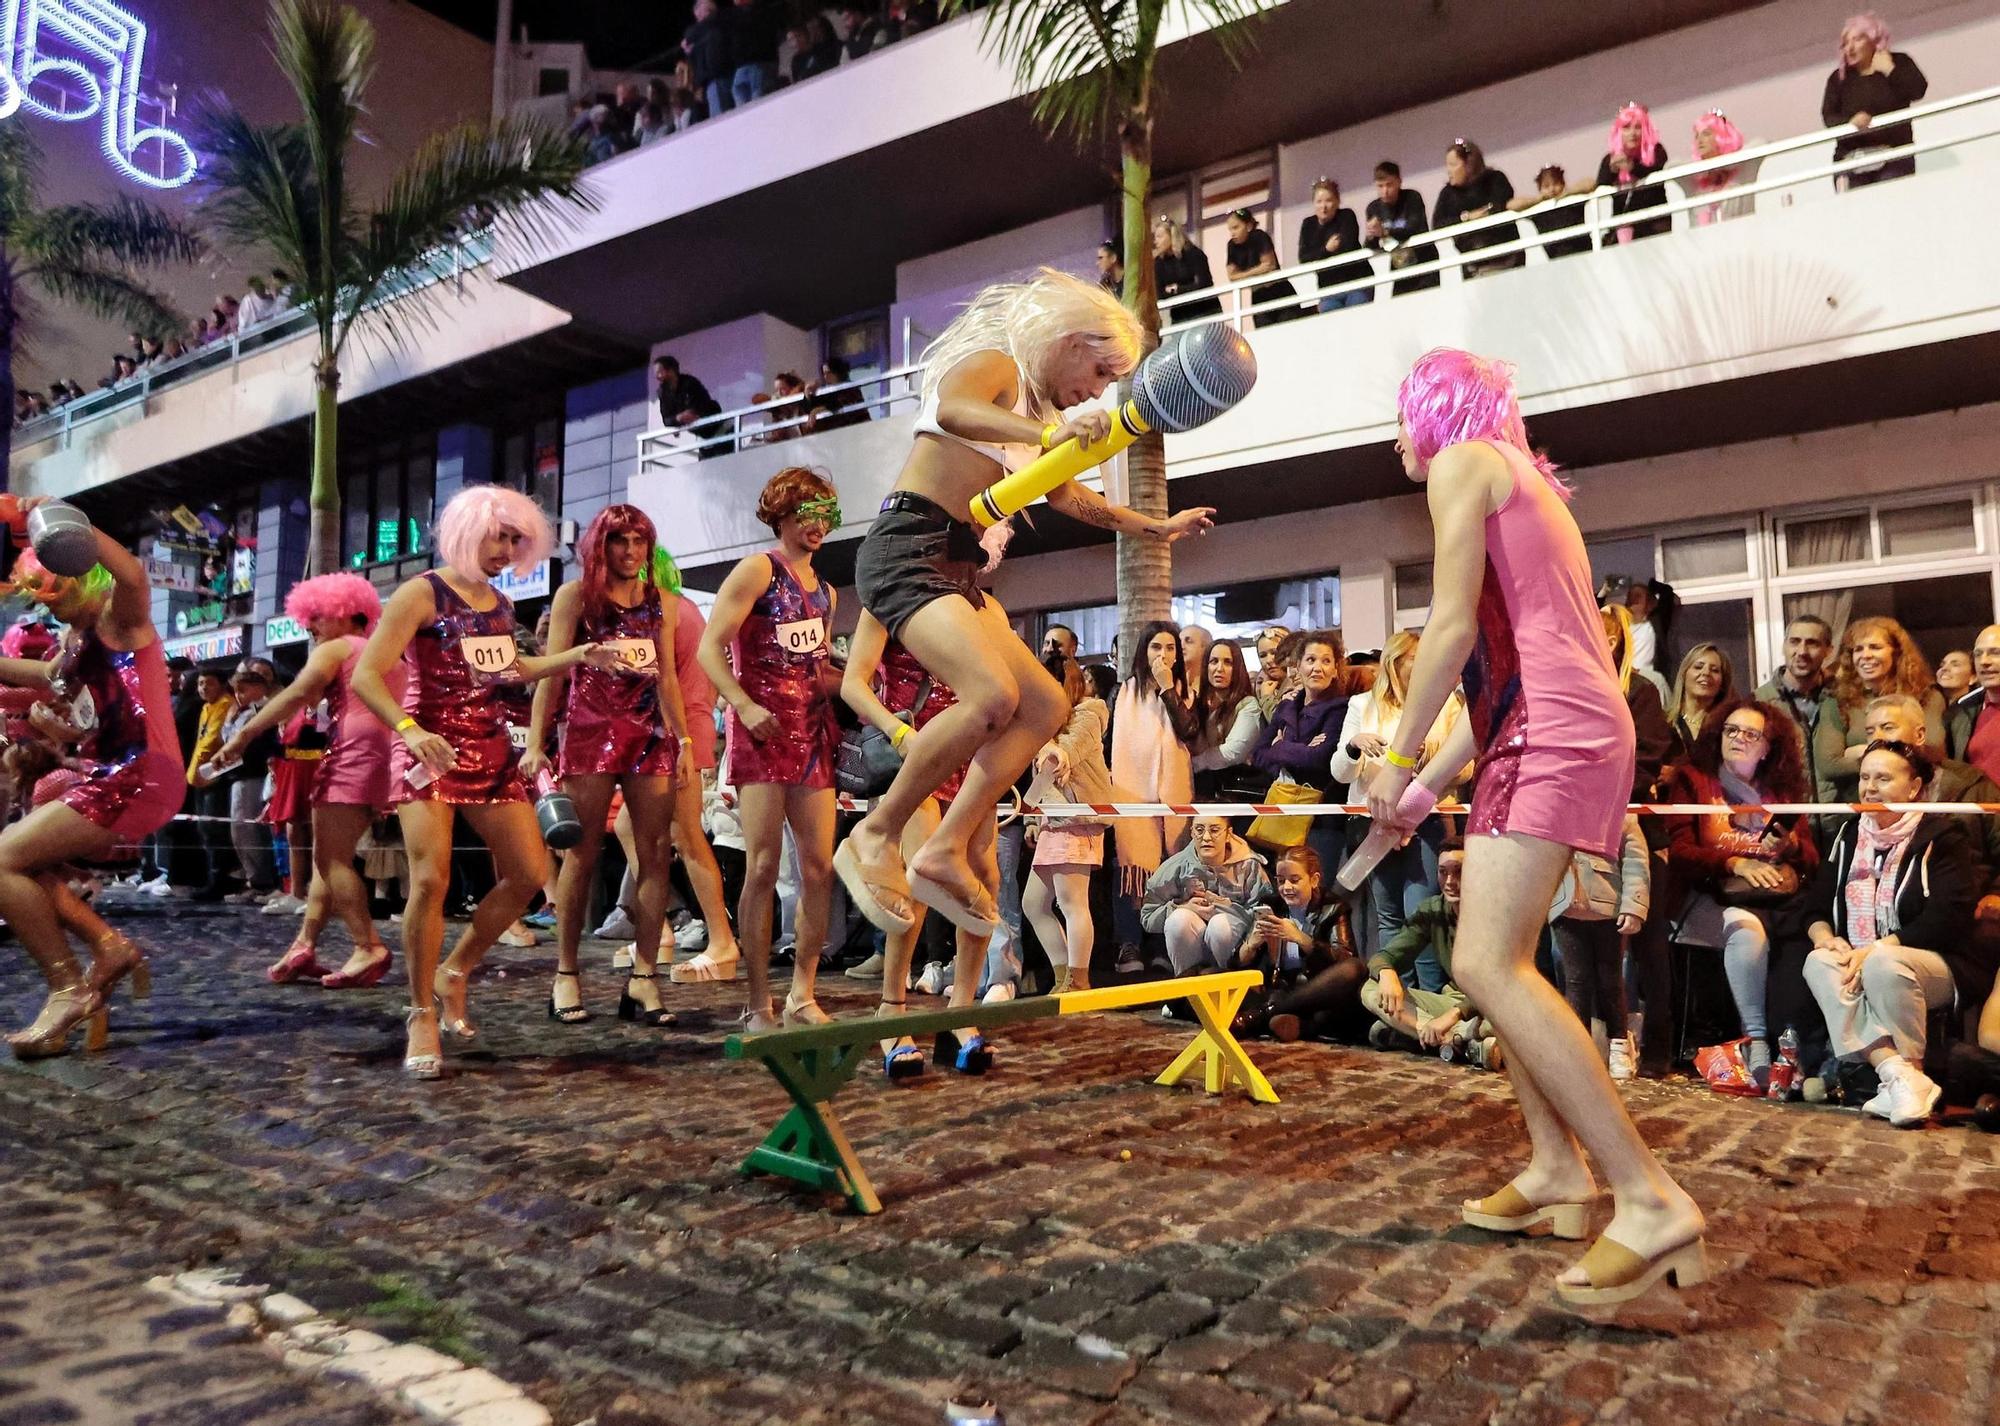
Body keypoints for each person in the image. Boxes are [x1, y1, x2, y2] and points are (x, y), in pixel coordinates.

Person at [1363, 348, 1701, 1307]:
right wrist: (1425, 786)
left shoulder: (1465, 465)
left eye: (1403, 416)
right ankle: (1557, 1171)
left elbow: (1453, 635)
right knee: (1503, 958)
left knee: (1483, 966)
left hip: (1546, 733)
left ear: (1437, 412)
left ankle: (1647, 1196)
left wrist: (1391, 760)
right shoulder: (1530, 489)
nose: (1398, 439)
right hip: (1557, 724)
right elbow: (1504, 667)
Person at [835, 269, 1211, 947]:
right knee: (989, 696)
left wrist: (1156, 527)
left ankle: (943, 847)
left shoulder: (1038, 420)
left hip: (958, 566)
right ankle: (875, 832)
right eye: (1097, 371)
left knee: (1044, 706)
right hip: (907, 544)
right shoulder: (997, 366)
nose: (1095, 390)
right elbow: (953, 412)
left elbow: (1072, 499)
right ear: (1069, 342)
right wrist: (1048, 435)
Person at [352, 486, 617, 1079]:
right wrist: (409, 730)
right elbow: (367, 677)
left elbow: (512, 669)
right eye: (500, 537)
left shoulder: (499, 604)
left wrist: (577, 656)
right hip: (430, 750)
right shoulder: (421, 593)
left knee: (527, 874)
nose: (507, 550)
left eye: (516, 540)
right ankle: (420, 1010)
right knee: (431, 880)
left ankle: (456, 969)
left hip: (491, 747)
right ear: (469, 531)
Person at [0, 523, 186, 1060]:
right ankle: (108, 947)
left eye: (52, 595)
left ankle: (69, 988)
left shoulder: (118, 621)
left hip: (138, 775)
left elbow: (131, 572)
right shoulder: (80, 641)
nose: (48, 610)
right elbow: (45, 676)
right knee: (29, 868)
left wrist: (63, 522)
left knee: (3, 861)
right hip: (111, 774)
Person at [526, 506, 693, 1027]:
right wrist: (535, 742)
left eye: (639, 540)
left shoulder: (660, 602)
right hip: (589, 734)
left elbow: (666, 676)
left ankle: (644, 978)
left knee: (656, 855)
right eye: (620, 540)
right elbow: (551, 676)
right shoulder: (575, 597)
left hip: (650, 736)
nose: (631, 551)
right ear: (601, 544)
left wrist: (685, 737)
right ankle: (565, 973)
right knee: (581, 854)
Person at [699, 468, 844, 1031]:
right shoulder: (757, 570)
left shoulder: (827, 593)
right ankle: (757, 1000)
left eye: (825, 513)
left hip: (813, 736)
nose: (817, 525)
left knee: (819, 866)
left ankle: (802, 993)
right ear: (782, 513)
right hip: (759, 735)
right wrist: (742, 703)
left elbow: (814, 670)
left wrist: (861, 679)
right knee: (760, 866)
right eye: (807, 511)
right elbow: (712, 650)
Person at [216, 574, 393, 989]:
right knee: (329, 856)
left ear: (347, 614)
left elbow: (297, 693)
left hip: (353, 754)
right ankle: (304, 943)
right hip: (385, 756)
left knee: (331, 859)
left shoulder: (335, 648)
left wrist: (244, 735)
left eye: (315, 617)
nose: (307, 626)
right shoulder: (383, 650)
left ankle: (367, 945)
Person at [842, 609, 999, 1073]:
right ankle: (892, 1010)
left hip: (973, 757)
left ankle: (962, 1012)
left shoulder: (981, 607)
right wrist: (897, 731)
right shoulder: (889, 596)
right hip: (914, 755)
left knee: (982, 877)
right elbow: (854, 683)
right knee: (917, 880)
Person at [1800, 741, 1980, 1125]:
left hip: (1938, 962)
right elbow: (1814, 906)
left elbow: (1948, 918)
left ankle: (1908, 1075)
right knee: (1818, 962)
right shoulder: (1849, 834)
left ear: (1914, 787)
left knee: (1882, 962)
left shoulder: (1944, 835)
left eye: (1883, 778)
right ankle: (1899, 1076)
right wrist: (1824, 937)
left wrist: (1879, 947)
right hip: (1866, 958)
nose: (1870, 787)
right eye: (1865, 777)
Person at [1661, 697, 1817, 1079]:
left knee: (1801, 938)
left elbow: (1812, 857)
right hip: (1708, 895)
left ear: (1767, 748)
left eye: (1751, 734)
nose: (1739, 739)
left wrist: (1790, 848)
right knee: (1748, 934)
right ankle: (1757, 1041)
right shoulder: (1694, 779)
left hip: (1773, 900)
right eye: (1732, 730)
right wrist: (1734, 862)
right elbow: (1680, 851)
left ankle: (1802, 1053)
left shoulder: (1779, 791)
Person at [1330, 630, 1468, 947]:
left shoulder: (1446, 702)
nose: (1427, 668)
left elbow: (1467, 769)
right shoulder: (1361, 704)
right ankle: (1396, 992)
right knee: (1389, 917)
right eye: (1417, 661)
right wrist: (1354, 745)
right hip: (1374, 821)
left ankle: (1427, 994)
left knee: (1421, 914)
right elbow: (1339, 773)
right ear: (1394, 663)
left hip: (1428, 820)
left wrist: (1431, 762)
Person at [1110, 621, 1199, 974]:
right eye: (1155, 648)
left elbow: (1189, 731)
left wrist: (1167, 690)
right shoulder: (1123, 693)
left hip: (1174, 799)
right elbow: (1107, 745)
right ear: (1143, 652)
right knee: (1130, 869)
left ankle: (1163, 942)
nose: (1163, 655)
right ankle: (1129, 944)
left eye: (1170, 649)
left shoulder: (1185, 691)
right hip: (1131, 796)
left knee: (1170, 871)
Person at [1360, 840, 1499, 1066]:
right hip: (1453, 1001)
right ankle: (1451, 1039)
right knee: (1371, 988)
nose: (1450, 882)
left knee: (1509, 1021)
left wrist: (1453, 1014)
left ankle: (1421, 1036)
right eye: (1443, 872)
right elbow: (1384, 956)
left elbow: (1497, 984)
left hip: (1489, 1003)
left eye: (1459, 872)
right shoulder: (1433, 910)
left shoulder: (1495, 912)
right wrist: (1387, 972)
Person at [1023, 655, 1112, 994]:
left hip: (1075, 819)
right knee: (1033, 904)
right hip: (1053, 820)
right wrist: (1033, 817)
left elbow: (1064, 756)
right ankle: (1065, 977)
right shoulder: (1046, 722)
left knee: (1073, 903)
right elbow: (1042, 775)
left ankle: (1078, 981)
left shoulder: (1089, 714)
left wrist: (1048, 745)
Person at [1551, 815, 1651, 1081]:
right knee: (1575, 981)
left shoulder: (1622, 816)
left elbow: (1636, 864)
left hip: (1608, 908)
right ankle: (1579, 1050)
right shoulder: (1560, 808)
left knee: (1610, 981)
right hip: (1565, 907)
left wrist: (1635, 906)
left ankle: (1619, 1043)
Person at [1247, 630, 1350, 880]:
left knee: (1317, 890)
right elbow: (1258, 755)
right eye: (1311, 660)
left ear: (1336, 669)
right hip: (1282, 811)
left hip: (1322, 818)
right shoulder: (1286, 706)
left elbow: (1321, 760)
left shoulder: (1340, 708)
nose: (1318, 668)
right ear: (1299, 666)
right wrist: (1298, 754)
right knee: (1283, 887)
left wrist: (1280, 748)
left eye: (1326, 661)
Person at [1236, 846, 1363, 1042]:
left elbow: (1344, 959)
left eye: (1294, 880)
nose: (1286, 887)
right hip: (1276, 991)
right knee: (1206, 974)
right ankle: (1287, 1022)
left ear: (1314, 880)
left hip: (1313, 995)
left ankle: (1264, 1016)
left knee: (1354, 969)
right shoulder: (1270, 905)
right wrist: (1251, 945)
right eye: (1280, 881)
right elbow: (1236, 965)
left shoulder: (1334, 908)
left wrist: (1300, 938)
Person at [1815, 616, 1943, 804]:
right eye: (1858, 649)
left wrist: (1862, 750)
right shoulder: (1836, 701)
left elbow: (1932, 751)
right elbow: (1829, 765)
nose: (1865, 655)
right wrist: (1901, 750)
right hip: (1856, 810)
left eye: (1875, 647)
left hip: (1916, 806)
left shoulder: (1927, 695)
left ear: (1896, 652)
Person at [1139, 816, 1272, 977]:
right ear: (1192, 833)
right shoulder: (1175, 867)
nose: (1206, 837)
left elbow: (1264, 911)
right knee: (1179, 919)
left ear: (1228, 833)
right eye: (1199, 830)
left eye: (1215, 830)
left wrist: (1224, 908)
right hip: (1193, 945)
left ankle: (1231, 986)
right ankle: (1187, 989)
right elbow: (1147, 917)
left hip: (1236, 949)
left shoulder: (1249, 866)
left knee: (1219, 925)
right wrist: (1180, 907)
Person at [1820, 12, 1928, 190]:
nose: (1850, 48)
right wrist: (1850, 122)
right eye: (1845, 43)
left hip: (1894, 156)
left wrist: (1890, 70)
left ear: (1873, 40)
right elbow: (1828, 116)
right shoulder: (1838, 78)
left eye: (1857, 40)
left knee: (1889, 204)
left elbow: (1918, 90)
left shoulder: (1899, 62)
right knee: (1855, 211)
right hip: (1851, 159)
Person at [1754, 614, 1833, 793]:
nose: (1802, 651)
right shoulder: (1758, 703)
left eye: (1812, 643)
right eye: (1794, 641)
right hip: (1788, 815)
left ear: (1828, 650)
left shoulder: (1845, 698)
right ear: (1784, 646)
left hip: (1842, 815)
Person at [1584, 103, 1673, 243]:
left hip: (1655, 223)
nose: (1632, 133)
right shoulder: (1609, 159)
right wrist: (1612, 171)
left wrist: (1631, 167)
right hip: (1623, 229)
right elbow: (1600, 186)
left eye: (1638, 127)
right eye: (1626, 128)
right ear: (1618, 132)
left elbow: (1658, 169)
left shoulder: (1657, 150)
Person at [1432, 141, 1521, 278]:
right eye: (1447, 165)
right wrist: (1466, 218)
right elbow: (1438, 224)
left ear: (1469, 164)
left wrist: (1484, 214)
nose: (1448, 170)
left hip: (1505, 258)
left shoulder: (1495, 179)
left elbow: (1499, 206)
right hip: (1471, 265)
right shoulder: (1447, 193)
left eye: (1453, 165)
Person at [1191, 638, 1263, 799]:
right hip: (1197, 787)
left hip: (1231, 791)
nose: (1219, 668)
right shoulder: (1197, 702)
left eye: (1228, 662)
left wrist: (1193, 763)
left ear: (1237, 668)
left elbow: (1233, 752)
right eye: (1214, 661)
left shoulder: (1247, 704)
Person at [1363, 161, 1440, 294]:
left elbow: (1415, 228)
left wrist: (1385, 231)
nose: (1385, 191)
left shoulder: (1412, 198)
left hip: (1424, 263)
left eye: (1389, 185)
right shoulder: (1374, 208)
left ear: (1399, 182)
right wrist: (1372, 235)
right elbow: (1371, 245)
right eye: (1380, 186)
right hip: (1399, 268)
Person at [1297, 179, 1372, 310]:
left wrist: (1319, 253)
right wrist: (1326, 249)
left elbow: (1347, 246)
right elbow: (1304, 257)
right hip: (1328, 289)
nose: (1323, 206)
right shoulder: (1308, 224)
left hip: (1357, 282)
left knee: (1358, 312)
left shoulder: (1346, 216)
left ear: (1337, 202)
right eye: (1319, 202)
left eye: (1328, 200)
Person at [1222, 209, 1302, 327]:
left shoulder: (1260, 236)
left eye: (1236, 227)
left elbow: (1269, 265)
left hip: (1279, 291)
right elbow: (1232, 276)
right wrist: (1257, 271)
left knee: (1290, 329)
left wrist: (1243, 275)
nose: (1232, 233)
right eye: (1230, 229)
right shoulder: (1231, 246)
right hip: (1259, 296)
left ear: (1248, 226)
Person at [1946, 624, 2000, 783]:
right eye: (1978, 654)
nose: (1984, 661)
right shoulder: (1961, 712)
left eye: (1995, 653)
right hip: (1978, 806)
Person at [1665, 643, 1733, 767]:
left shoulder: (1729, 726)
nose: (1706, 673)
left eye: (1715, 670)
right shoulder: (1662, 722)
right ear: (1684, 674)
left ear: (1723, 683)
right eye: (1698, 667)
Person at [1688, 110, 1760, 225]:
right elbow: (1672, 165)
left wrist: (1724, 163)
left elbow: (1761, 143)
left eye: (1706, 134)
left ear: (1721, 136)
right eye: (1697, 135)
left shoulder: (1740, 172)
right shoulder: (1700, 181)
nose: (1699, 140)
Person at [1509, 165, 1592, 261]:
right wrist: (1537, 200)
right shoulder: (1538, 210)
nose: (1552, 189)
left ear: (1563, 184)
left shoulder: (1573, 201)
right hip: (1556, 261)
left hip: (1584, 255)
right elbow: (1511, 205)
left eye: (1556, 184)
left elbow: (1590, 183)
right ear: (1540, 189)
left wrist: (1568, 193)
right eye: (1546, 186)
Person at [1152, 216, 1222, 322]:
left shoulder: (1194, 254)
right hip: (1180, 317)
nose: (1155, 241)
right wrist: (1188, 287)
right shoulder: (1159, 263)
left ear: (1172, 235)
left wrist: (1177, 289)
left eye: (1159, 237)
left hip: (1206, 311)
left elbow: (1204, 284)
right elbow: (1159, 293)